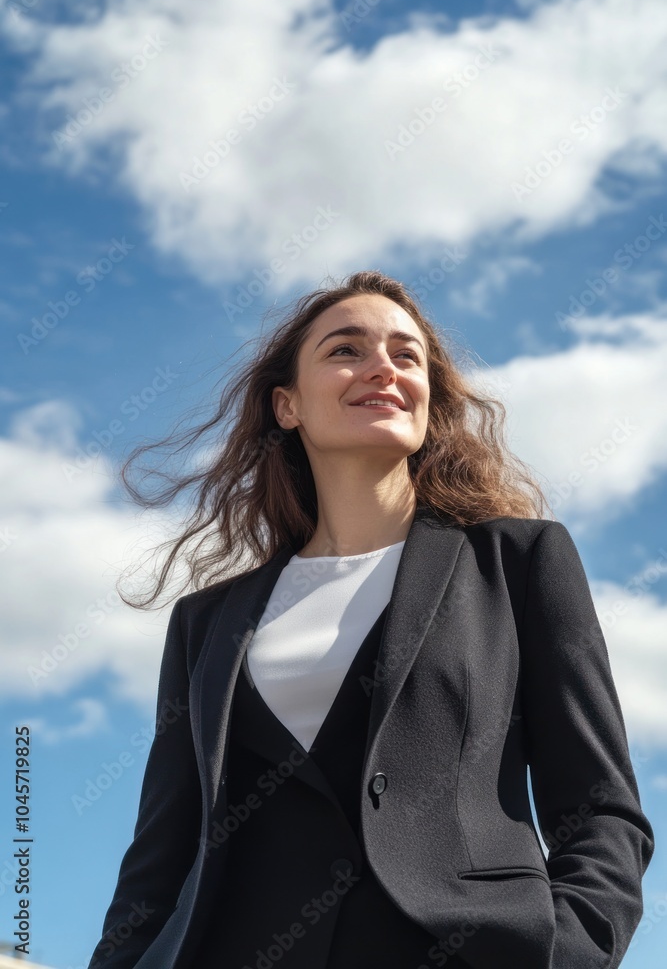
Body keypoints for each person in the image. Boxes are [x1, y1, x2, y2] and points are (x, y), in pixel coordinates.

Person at [86, 270, 654, 969]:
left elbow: (600, 810)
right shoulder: (205, 622)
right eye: (346, 350)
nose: (382, 367)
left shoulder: (518, 562)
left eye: (405, 355)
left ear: (426, 401)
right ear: (286, 405)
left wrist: (564, 951)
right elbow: (158, 856)